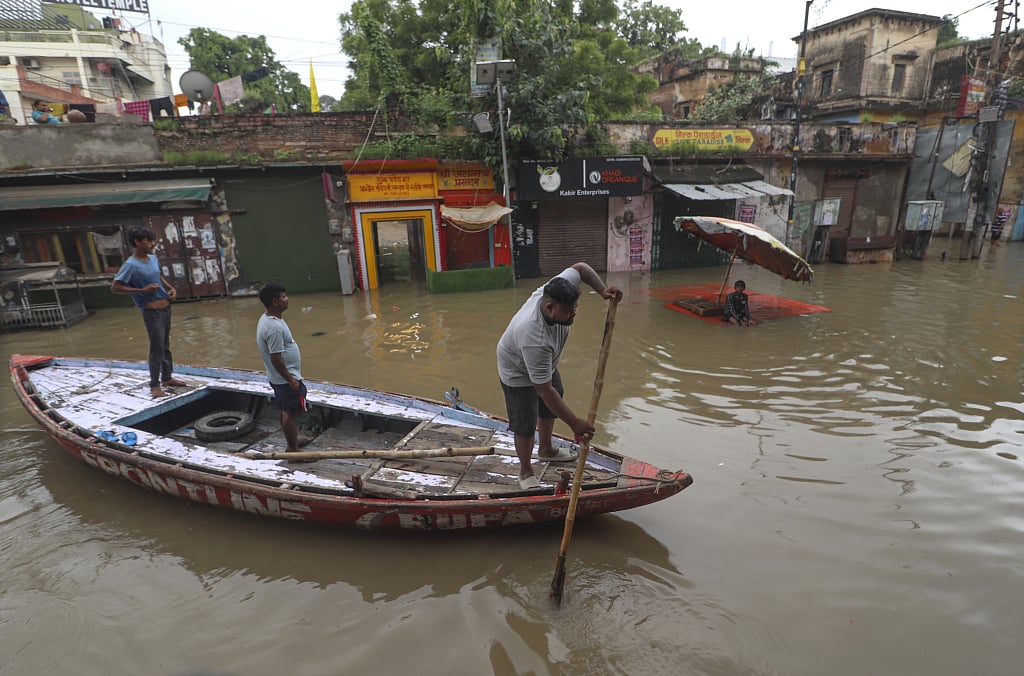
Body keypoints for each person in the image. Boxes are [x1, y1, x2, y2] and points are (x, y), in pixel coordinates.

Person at [497, 262, 623, 489]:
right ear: (549, 307)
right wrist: (574, 423)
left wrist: (603, 291)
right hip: (516, 369)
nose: (573, 313)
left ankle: (546, 449)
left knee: (555, 397)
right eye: (568, 311)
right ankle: (525, 471)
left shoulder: (560, 289)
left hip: (544, 363)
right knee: (524, 421)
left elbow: (582, 268)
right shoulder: (534, 336)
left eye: (575, 307)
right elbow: (544, 389)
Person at [111, 227, 186, 397]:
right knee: (156, 349)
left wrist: (170, 288)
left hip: (165, 307)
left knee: (165, 346)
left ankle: (167, 377)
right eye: (149, 241)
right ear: (137, 242)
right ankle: (155, 386)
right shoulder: (130, 265)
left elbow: (158, 276)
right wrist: (142, 291)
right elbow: (116, 287)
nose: (153, 244)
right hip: (152, 312)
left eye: (153, 240)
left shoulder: (153, 258)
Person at [256, 282, 307, 457]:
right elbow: (276, 357)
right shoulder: (273, 327)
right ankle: (293, 451)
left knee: (284, 409)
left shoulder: (269, 319)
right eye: (283, 297)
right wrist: (291, 380)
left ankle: (291, 442)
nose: (287, 300)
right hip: (285, 379)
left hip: (278, 378)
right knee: (289, 413)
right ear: (275, 302)